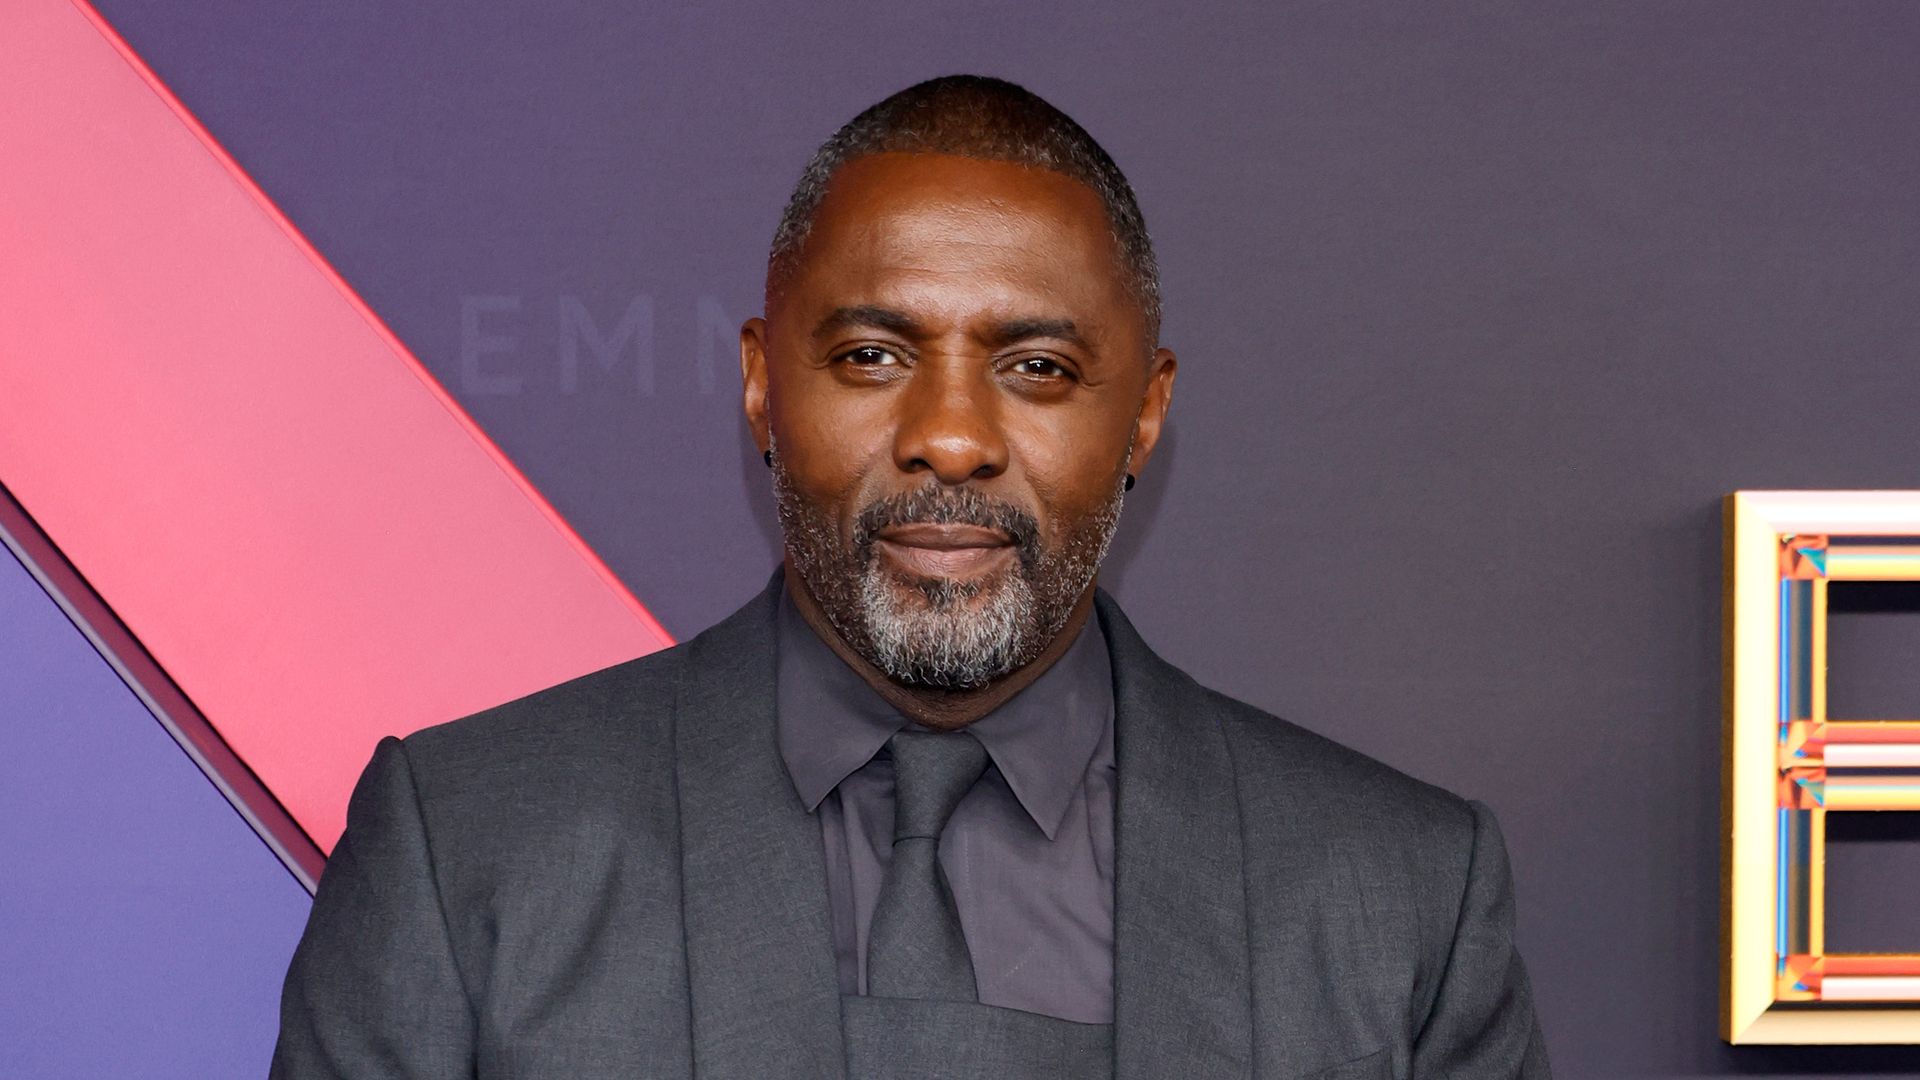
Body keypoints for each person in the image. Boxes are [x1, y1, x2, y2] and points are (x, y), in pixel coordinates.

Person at [271, 75, 1550, 1080]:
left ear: (1146, 415)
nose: (952, 435)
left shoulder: (1398, 892)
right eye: (877, 355)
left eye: (1038, 367)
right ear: (765, 384)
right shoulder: (472, 847)